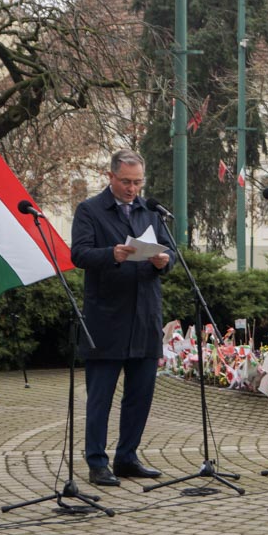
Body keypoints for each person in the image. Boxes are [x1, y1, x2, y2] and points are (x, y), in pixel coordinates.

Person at [71, 149, 176, 486]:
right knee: (100, 397)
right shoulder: (89, 211)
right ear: (111, 177)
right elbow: (79, 254)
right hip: (106, 320)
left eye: (137, 182)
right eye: (126, 182)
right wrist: (112, 254)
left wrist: (165, 261)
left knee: (140, 395)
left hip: (145, 317)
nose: (133, 189)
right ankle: (97, 462)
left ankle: (127, 458)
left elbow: (171, 250)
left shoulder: (151, 212)